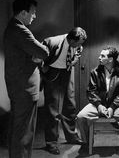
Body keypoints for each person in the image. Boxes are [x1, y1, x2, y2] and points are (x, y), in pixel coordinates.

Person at [3, 0, 49, 158]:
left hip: (19, 87)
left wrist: (33, 56)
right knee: (24, 132)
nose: (34, 16)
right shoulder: (20, 30)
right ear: (23, 13)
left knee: (18, 129)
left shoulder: (13, 28)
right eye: (33, 12)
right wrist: (35, 56)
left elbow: (34, 53)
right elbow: (43, 52)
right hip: (25, 88)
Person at [76, 46, 119, 155]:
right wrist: (99, 105)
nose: (99, 57)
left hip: (116, 105)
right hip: (98, 104)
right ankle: (87, 142)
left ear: (110, 59)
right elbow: (91, 91)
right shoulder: (95, 72)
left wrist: (112, 107)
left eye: (102, 56)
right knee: (81, 117)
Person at [41, 27, 87, 155]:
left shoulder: (77, 45)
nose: (80, 46)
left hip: (67, 71)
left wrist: (74, 61)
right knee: (52, 108)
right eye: (78, 43)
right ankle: (51, 142)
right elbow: (38, 56)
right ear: (71, 40)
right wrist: (43, 69)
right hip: (53, 71)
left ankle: (71, 135)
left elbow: (77, 53)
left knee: (70, 104)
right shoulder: (53, 42)